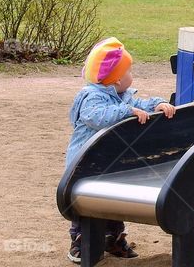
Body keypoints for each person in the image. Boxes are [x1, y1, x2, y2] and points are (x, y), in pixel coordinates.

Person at [64, 37, 176, 263]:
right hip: (85, 162)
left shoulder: (121, 95)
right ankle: (80, 242)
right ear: (115, 79)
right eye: (129, 71)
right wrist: (128, 111)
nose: (132, 75)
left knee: (113, 203)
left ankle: (112, 239)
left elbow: (139, 104)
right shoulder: (91, 97)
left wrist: (157, 105)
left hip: (110, 163)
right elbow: (97, 117)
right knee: (84, 206)